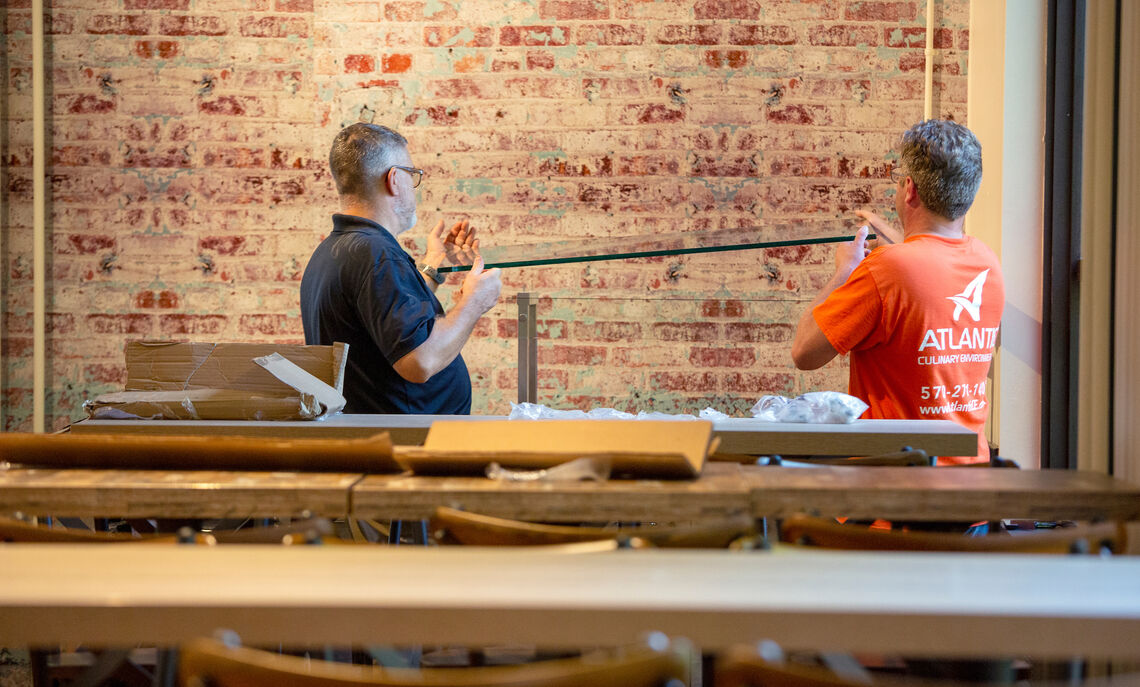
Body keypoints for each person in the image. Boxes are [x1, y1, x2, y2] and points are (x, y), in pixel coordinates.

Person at [791, 119, 1004, 464]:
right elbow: (928, 269)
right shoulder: (986, 262)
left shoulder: (886, 269)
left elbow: (805, 352)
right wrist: (898, 241)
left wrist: (845, 271)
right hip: (971, 487)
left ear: (909, 189)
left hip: (896, 493)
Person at [301, 123, 501, 414]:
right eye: (412, 175)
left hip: (376, 443)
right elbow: (421, 361)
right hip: (408, 447)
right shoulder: (376, 254)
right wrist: (475, 301)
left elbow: (385, 318)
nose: (413, 185)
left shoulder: (336, 250)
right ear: (394, 179)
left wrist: (433, 267)